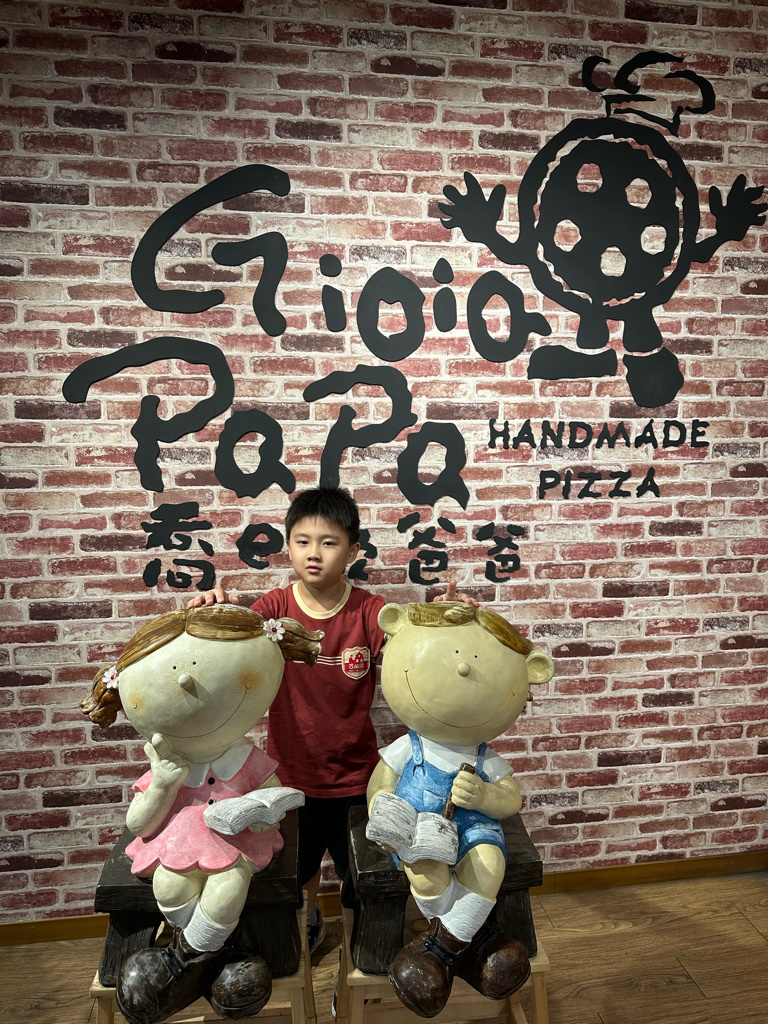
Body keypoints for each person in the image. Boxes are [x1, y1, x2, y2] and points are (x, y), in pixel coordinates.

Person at [189, 486, 478, 952]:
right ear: (288, 546)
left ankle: (357, 934)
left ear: (353, 551)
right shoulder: (273, 609)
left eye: (328, 542)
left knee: (359, 872)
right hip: (288, 776)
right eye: (302, 541)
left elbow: (418, 652)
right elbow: (227, 646)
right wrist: (214, 612)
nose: (314, 553)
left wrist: (453, 624)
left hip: (356, 777)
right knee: (296, 871)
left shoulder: (370, 610)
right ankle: (309, 923)